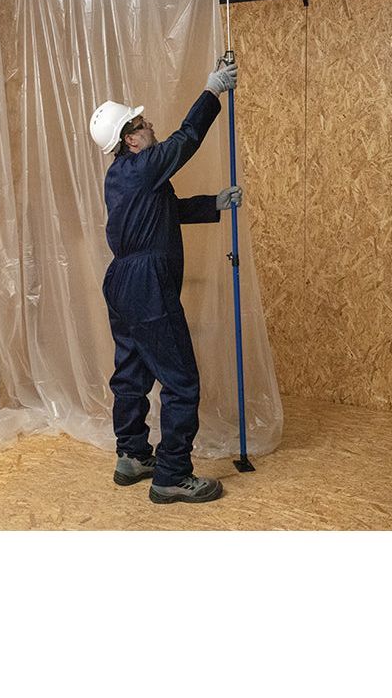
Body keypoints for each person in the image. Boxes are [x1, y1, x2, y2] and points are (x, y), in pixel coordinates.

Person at [88, 59, 241, 504]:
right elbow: (187, 138)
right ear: (131, 139)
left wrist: (212, 204)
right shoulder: (143, 165)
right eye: (141, 123)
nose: (150, 124)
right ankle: (172, 475)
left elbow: (164, 212)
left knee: (131, 371)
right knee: (181, 380)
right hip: (146, 284)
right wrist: (212, 90)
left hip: (122, 281)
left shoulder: (122, 175)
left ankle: (133, 455)